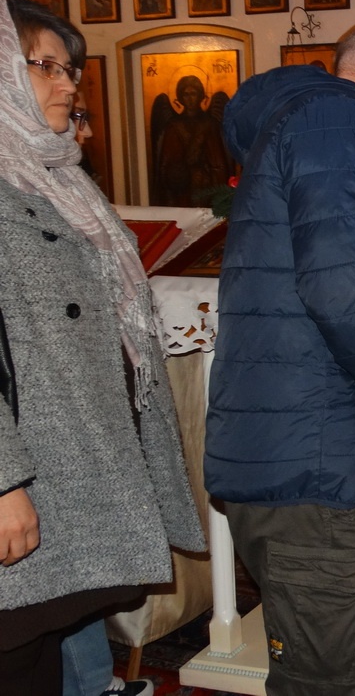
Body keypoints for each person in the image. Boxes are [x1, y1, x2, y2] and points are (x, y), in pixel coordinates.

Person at [203, 20, 355, 696]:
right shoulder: (339, 117)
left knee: (315, 671)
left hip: (304, 449)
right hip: (314, 462)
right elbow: (346, 292)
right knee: (332, 681)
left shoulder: (314, 121)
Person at [0, 0, 204, 694]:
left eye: (72, 71)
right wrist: (3, 483)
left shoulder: (56, 177)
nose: (69, 84)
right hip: (24, 474)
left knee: (40, 653)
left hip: (66, 464)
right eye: (48, 67)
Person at [59, 98, 154, 696]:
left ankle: (95, 681)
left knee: (80, 556)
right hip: (55, 408)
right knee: (61, 564)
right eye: (78, 117)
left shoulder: (69, 184)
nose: (90, 131)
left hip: (83, 398)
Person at [152, 73, 231, 207]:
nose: (190, 99)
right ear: (180, 97)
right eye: (186, 94)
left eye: (193, 94)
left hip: (205, 186)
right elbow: (166, 162)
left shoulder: (209, 124)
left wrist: (220, 194)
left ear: (200, 96)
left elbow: (218, 162)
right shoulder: (174, 126)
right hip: (181, 189)